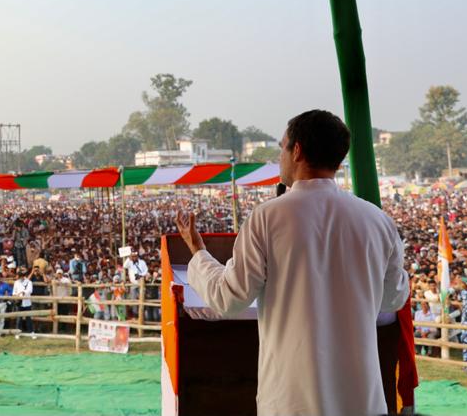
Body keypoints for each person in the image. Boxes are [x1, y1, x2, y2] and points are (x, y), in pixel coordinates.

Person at [174, 110, 409, 416]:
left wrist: (198, 252)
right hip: (361, 399)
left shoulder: (267, 218)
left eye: (282, 147)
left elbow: (230, 298)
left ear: (296, 150)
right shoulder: (378, 221)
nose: (280, 157)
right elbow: (394, 297)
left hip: (291, 400)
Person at [12, 268, 33, 334]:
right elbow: (14, 292)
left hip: (27, 302)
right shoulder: (16, 282)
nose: (18, 276)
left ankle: (31, 332)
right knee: (19, 318)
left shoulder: (29, 282)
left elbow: (30, 290)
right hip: (19, 302)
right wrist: (16, 296)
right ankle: (18, 332)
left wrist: (22, 292)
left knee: (28, 318)